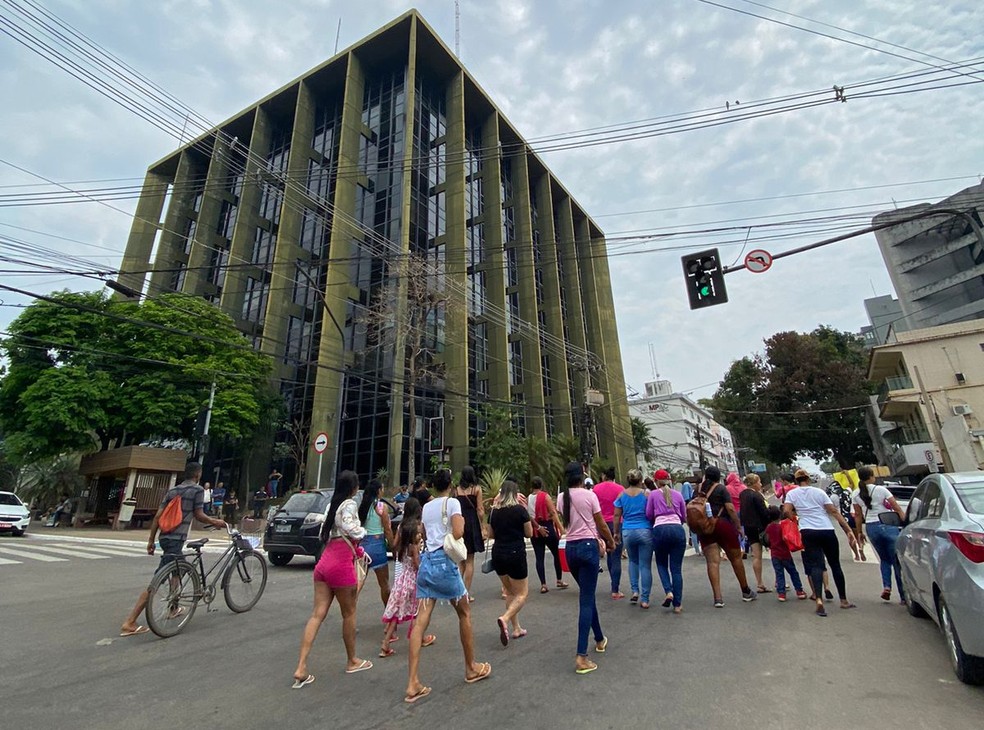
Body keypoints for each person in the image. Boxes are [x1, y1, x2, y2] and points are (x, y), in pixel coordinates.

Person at [405, 469, 490, 704]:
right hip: (445, 563)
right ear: (450, 484)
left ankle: (412, 682)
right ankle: (471, 667)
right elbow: (458, 531)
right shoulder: (452, 503)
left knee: (420, 622)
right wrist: (457, 524)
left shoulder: (427, 507)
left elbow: (422, 531)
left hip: (427, 564)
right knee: (464, 613)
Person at [120, 462, 226, 637]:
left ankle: (174, 607)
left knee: (178, 571)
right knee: (157, 580)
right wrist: (216, 522)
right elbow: (199, 514)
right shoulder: (197, 490)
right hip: (177, 539)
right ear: (198, 474)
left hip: (165, 537)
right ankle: (130, 621)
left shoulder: (173, 491)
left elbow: (157, 516)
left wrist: (151, 541)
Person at [292, 470, 372, 688]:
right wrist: (362, 532)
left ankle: (301, 666)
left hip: (325, 561)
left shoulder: (330, 506)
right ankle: (352, 660)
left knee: (317, 614)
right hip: (341, 563)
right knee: (349, 613)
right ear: (354, 488)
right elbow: (350, 527)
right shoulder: (349, 505)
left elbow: (325, 532)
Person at [557, 462, 616, 675]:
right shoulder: (589, 495)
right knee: (586, 601)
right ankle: (581, 655)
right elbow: (600, 523)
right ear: (582, 477)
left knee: (587, 596)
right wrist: (610, 542)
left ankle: (599, 638)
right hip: (588, 547)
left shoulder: (562, 497)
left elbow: (565, 522)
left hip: (571, 549)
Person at [783, 468, 858, 617]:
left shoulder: (792, 493)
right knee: (835, 564)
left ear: (796, 481)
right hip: (826, 529)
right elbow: (834, 511)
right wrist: (848, 530)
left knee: (815, 565)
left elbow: (786, 511)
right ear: (808, 479)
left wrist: (795, 517)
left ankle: (818, 600)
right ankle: (843, 600)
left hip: (807, 531)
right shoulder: (819, 492)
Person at [380, 498, 435, 657]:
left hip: (402, 575)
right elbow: (416, 558)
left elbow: (395, 546)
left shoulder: (402, 527)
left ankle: (385, 643)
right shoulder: (416, 530)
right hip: (413, 576)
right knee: (418, 608)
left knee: (396, 610)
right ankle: (420, 637)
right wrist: (422, 570)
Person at [696, 466, 755, 607]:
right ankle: (745, 590)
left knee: (712, 562)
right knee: (735, 558)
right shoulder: (722, 489)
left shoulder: (698, 490)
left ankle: (718, 598)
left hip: (705, 528)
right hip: (722, 524)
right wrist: (739, 527)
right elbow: (730, 508)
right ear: (718, 477)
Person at [852, 466, 907, 603]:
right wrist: (905, 520)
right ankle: (903, 596)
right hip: (887, 524)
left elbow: (858, 515)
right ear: (871, 476)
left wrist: (859, 532)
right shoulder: (881, 490)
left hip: (871, 527)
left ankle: (887, 586)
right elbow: (896, 507)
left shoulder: (855, 494)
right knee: (896, 561)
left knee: (884, 559)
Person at [488, 480, 533, 644]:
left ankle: (516, 628)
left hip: (498, 553)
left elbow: (490, 534)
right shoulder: (520, 510)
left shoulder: (494, 512)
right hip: (515, 553)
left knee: (509, 591)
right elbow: (529, 533)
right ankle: (505, 618)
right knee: (522, 593)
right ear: (515, 494)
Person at [647, 469, 687, 613]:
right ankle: (678, 604)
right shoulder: (678, 495)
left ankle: (668, 591)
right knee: (676, 569)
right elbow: (684, 516)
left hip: (660, 529)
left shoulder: (653, 495)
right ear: (669, 480)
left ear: (656, 481)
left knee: (661, 563)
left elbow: (649, 514)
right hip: (677, 528)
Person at [613, 469, 652, 608]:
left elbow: (617, 516)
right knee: (645, 566)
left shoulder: (621, 495)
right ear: (641, 481)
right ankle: (645, 599)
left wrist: (616, 532)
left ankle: (635, 591)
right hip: (645, 530)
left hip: (628, 531)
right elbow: (651, 512)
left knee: (633, 562)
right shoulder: (647, 494)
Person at [528, 476, 568, 593]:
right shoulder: (545, 497)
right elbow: (553, 513)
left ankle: (543, 584)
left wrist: (537, 527)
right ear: (541, 485)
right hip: (548, 527)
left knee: (539, 557)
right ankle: (559, 579)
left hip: (536, 529)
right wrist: (561, 528)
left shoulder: (528, 498)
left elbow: (529, 515)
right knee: (556, 553)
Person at [359, 478, 394, 608]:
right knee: (384, 584)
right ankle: (389, 615)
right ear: (379, 490)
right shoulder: (381, 506)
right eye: (382, 488)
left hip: (363, 546)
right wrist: (393, 547)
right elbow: (388, 529)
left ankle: (349, 615)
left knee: (358, 584)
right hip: (377, 545)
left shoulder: (363, 506)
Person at [591, 466, 624, 599]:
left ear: (604, 475)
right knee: (615, 557)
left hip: (600, 525)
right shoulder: (620, 489)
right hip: (617, 524)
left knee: (596, 557)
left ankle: (589, 587)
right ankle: (615, 589)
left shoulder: (596, 489)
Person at [453, 466, 485, 601]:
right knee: (470, 560)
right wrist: (482, 525)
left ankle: (457, 591)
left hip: (460, 523)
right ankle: (465, 593)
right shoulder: (476, 489)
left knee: (461, 561)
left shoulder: (456, 490)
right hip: (472, 524)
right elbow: (480, 510)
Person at [763, 506, 806, 601]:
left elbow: (767, 539)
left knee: (779, 574)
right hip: (785, 553)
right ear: (779, 515)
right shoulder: (783, 526)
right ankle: (799, 591)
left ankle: (781, 594)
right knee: (793, 572)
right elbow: (787, 538)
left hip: (774, 554)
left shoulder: (769, 527)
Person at [740, 473, 772, 594]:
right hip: (762, 528)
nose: (761, 484)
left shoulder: (743, 494)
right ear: (754, 483)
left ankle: (759, 583)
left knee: (756, 555)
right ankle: (779, 581)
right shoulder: (757, 495)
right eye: (759, 482)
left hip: (749, 527)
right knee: (775, 552)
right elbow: (764, 512)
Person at [680, 480, 701, 555]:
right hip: (697, 513)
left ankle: (697, 550)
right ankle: (698, 549)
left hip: (690, 514)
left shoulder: (685, 497)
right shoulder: (694, 494)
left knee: (693, 532)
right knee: (696, 532)